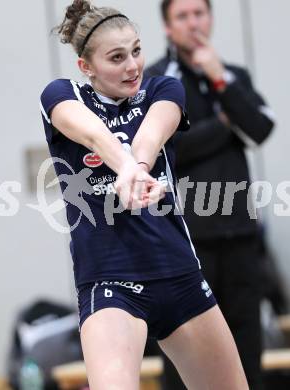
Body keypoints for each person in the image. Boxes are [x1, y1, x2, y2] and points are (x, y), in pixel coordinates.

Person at [40, 1, 249, 389]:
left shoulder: (162, 87)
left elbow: (153, 133)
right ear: (87, 67)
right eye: (116, 57)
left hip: (178, 274)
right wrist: (125, 169)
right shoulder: (61, 93)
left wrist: (137, 166)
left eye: (136, 50)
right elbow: (92, 134)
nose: (132, 66)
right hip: (110, 282)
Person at [145, 0, 275, 389]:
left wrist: (220, 81)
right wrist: (224, 123)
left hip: (239, 234)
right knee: (186, 348)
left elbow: (261, 128)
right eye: (182, 16)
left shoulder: (233, 75)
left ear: (211, 18)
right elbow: (168, 148)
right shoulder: (157, 80)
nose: (194, 23)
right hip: (187, 238)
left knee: (246, 345)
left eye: (199, 13)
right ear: (168, 27)